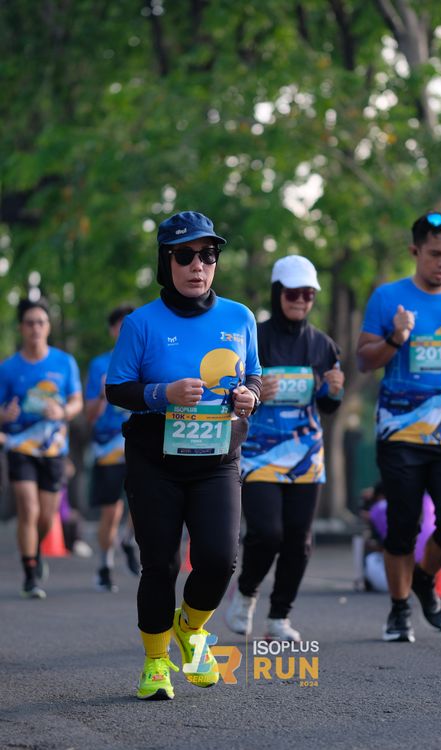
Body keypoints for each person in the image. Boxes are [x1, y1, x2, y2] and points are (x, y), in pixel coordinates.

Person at [105, 210, 261, 700]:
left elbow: (254, 375)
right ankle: (156, 663)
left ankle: (190, 627)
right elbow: (116, 388)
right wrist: (162, 394)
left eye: (208, 255)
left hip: (218, 460)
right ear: (165, 261)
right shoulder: (141, 323)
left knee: (218, 559)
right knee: (161, 564)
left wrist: (250, 395)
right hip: (156, 462)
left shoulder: (240, 317)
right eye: (185, 255)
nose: (198, 266)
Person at [356, 211, 441, 642]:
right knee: (402, 526)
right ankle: (399, 611)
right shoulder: (388, 298)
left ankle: (424, 577)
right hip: (399, 433)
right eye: (435, 253)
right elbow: (363, 359)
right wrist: (395, 338)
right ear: (415, 251)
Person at [225, 255, 345, 641]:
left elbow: (328, 406)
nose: (301, 301)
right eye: (293, 293)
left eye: (308, 294)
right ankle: (246, 594)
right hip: (258, 451)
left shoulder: (323, 345)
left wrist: (333, 392)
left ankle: (279, 617)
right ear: (277, 293)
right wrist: (257, 394)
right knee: (267, 532)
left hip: (306, 454)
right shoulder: (253, 338)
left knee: (299, 540)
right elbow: (228, 394)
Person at [0, 298, 83, 598]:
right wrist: (4, 415)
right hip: (20, 446)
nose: (35, 328)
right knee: (28, 508)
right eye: (30, 323)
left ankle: (35, 549)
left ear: (48, 327)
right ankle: (29, 572)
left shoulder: (64, 362)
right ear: (21, 328)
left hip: (53, 450)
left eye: (41, 322)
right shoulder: (8, 368)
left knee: (46, 517)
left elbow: (76, 402)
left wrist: (62, 411)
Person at [85, 305, 140, 593]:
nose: (125, 331)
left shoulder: (147, 359)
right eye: (120, 325)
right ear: (111, 330)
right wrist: (103, 393)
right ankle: (105, 565)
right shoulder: (99, 365)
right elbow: (89, 415)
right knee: (111, 510)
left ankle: (128, 540)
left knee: (144, 504)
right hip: (109, 446)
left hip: (141, 442)